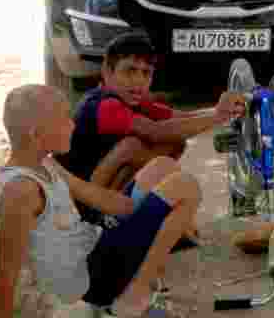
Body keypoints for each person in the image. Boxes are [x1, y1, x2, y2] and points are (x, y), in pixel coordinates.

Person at [0, 84, 201, 318]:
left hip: (97, 246)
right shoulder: (20, 192)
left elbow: (96, 197)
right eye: (64, 118)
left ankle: (139, 271)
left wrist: (142, 209)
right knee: (186, 187)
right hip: (93, 279)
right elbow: (6, 276)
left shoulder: (46, 164)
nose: (72, 124)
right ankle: (132, 299)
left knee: (161, 167)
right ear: (36, 134)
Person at [56, 35, 245, 236]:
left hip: (99, 185)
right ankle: (102, 216)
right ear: (107, 72)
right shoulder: (105, 105)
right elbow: (156, 132)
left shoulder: (130, 98)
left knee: (175, 142)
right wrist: (217, 116)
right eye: (130, 71)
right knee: (133, 146)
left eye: (146, 73)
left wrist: (220, 111)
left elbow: (179, 118)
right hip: (76, 200)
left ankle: (129, 207)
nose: (138, 81)